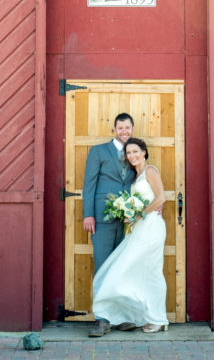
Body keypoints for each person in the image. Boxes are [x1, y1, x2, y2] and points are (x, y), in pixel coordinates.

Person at [90, 138, 169, 334]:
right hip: (140, 229)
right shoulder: (136, 176)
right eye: (129, 153)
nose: (132, 156)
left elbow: (161, 198)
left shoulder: (150, 171)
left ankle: (158, 319)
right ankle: (141, 315)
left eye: (135, 151)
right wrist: (131, 214)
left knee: (152, 271)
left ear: (144, 152)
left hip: (151, 228)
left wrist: (140, 214)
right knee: (137, 272)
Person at [83, 113, 137, 337]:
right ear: (114, 129)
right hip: (102, 219)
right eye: (120, 128)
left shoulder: (134, 153)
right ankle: (102, 320)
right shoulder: (98, 151)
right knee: (103, 267)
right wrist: (88, 215)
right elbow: (89, 184)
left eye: (128, 128)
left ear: (132, 129)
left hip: (125, 220)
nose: (124, 131)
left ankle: (119, 317)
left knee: (120, 269)